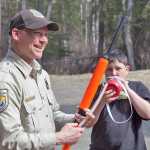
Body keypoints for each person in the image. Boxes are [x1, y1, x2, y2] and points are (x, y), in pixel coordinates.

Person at [0, 9, 95, 150]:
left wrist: (76, 119)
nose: (44, 40)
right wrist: (59, 138)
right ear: (16, 34)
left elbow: (52, 116)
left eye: (45, 34)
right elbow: (9, 140)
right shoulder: (6, 79)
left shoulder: (41, 74)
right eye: (37, 33)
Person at [89, 49, 150, 150]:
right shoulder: (97, 90)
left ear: (127, 69)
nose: (113, 73)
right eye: (109, 69)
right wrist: (102, 101)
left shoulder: (137, 87)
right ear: (104, 71)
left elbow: (147, 114)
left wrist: (128, 91)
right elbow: (88, 123)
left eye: (118, 69)